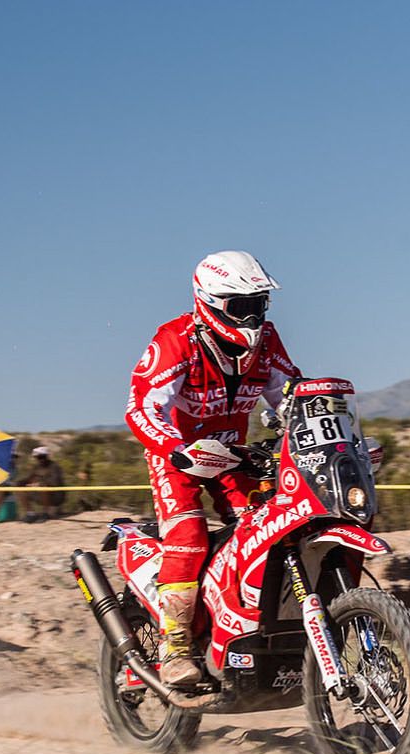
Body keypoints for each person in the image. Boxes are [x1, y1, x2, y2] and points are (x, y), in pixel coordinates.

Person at [125, 251, 300, 687]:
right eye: (242, 307)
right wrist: (175, 449)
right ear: (210, 301)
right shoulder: (175, 339)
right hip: (179, 460)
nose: (253, 317)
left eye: (259, 305)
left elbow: (292, 395)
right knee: (188, 535)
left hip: (232, 455)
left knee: (263, 526)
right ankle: (175, 647)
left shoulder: (268, 341)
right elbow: (142, 407)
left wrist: (312, 428)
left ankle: (242, 624)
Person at [17, 446, 66, 521]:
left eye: (42, 457)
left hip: (56, 496)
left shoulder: (54, 467)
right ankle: (30, 514)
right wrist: (21, 483)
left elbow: (55, 482)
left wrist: (39, 484)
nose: (40, 459)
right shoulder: (36, 467)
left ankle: (45, 513)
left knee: (43, 487)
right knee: (19, 488)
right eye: (38, 457)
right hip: (39, 494)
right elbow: (29, 478)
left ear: (46, 456)